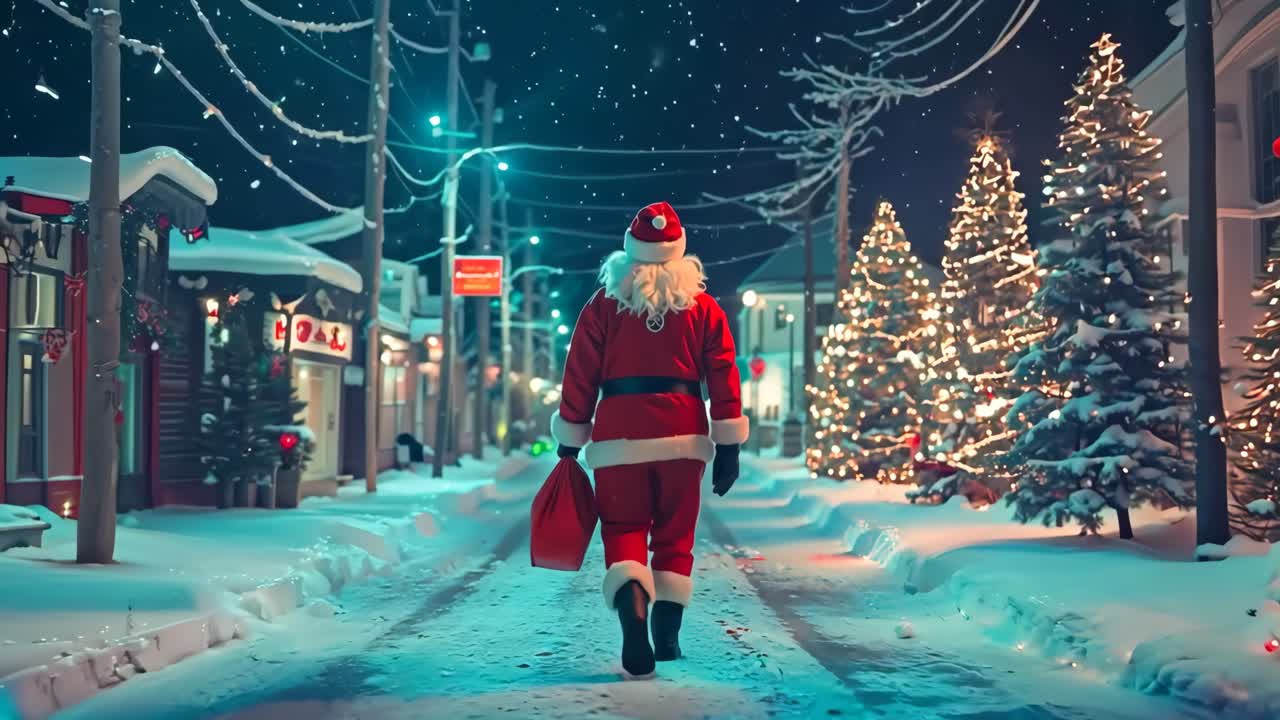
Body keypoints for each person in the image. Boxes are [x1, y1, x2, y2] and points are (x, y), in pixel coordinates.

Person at [551, 201, 749, 678]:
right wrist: (728, 444)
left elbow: (579, 372)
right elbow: (723, 372)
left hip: (619, 433)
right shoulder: (703, 308)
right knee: (675, 536)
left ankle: (633, 613)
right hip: (683, 434)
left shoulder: (602, 306)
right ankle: (666, 638)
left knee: (623, 531)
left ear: (630, 253)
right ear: (679, 256)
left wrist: (571, 436)